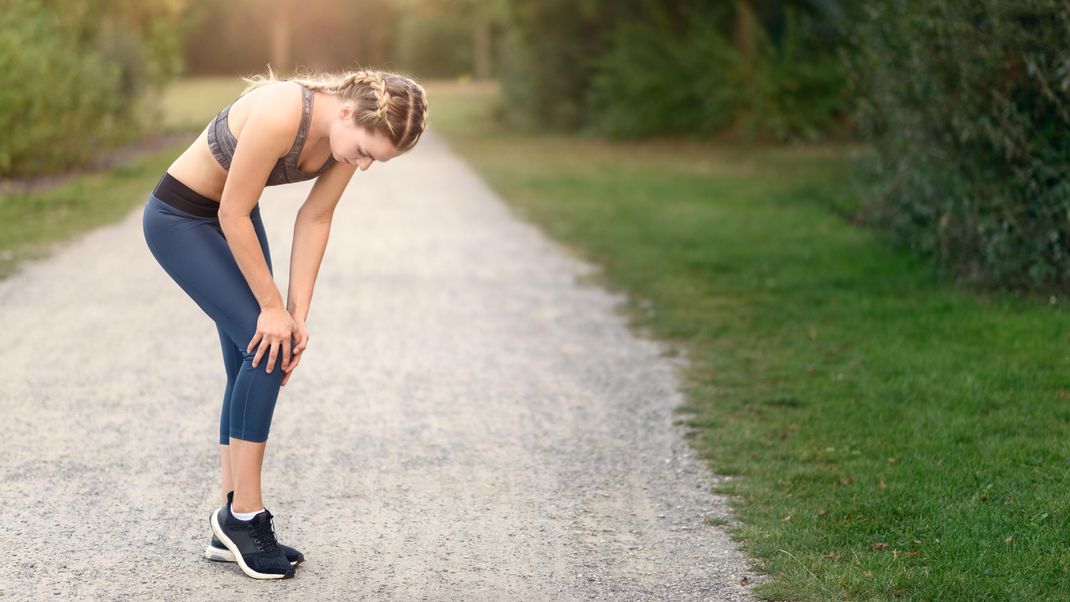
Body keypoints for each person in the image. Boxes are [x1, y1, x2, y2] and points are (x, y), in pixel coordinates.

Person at [141, 67, 429, 580]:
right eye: (364, 151)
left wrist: (296, 316)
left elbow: (316, 217)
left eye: (374, 161)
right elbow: (230, 210)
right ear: (346, 111)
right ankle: (245, 516)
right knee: (265, 352)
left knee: (264, 353)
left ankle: (227, 526)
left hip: (234, 222)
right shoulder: (281, 111)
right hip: (184, 221)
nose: (362, 165)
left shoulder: (345, 139)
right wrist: (273, 312)